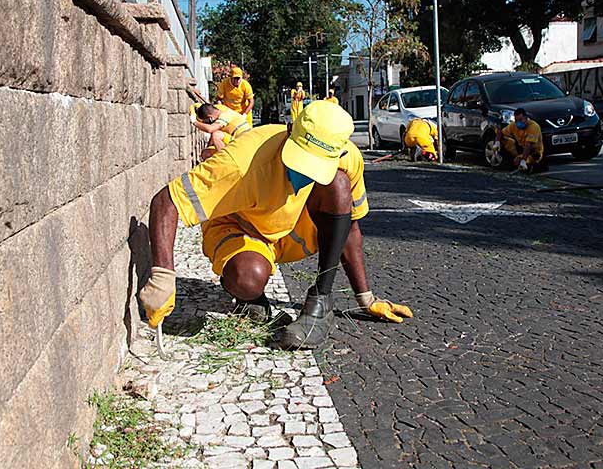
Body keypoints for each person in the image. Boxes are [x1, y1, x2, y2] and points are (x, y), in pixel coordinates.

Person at [140, 101, 413, 349]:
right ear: (290, 128)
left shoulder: (347, 158)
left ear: (340, 150)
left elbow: (350, 228)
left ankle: (321, 301)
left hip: (293, 228)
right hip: (241, 227)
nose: (306, 172)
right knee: (247, 278)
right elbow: (168, 200)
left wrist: (366, 298)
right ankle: (251, 299)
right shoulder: (242, 163)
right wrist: (163, 274)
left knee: (338, 185)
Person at [494, 108, 544, 172]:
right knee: (504, 140)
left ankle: (529, 165)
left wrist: (523, 160)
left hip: (533, 152)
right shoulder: (513, 125)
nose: (518, 122)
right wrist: (497, 142)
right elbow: (500, 132)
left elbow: (529, 145)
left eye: (520, 120)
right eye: (516, 120)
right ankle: (509, 162)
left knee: (518, 161)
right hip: (521, 148)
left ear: (526, 118)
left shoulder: (533, 127)